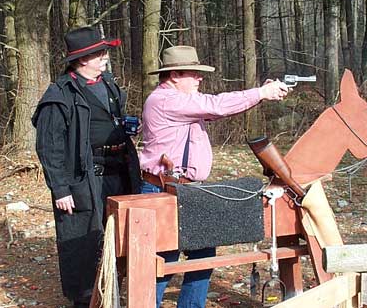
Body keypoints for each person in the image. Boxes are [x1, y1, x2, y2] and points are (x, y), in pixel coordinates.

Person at [139, 45, 289, 308]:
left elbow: (216, 108)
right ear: (174, 75)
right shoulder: (167, 100)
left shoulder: (180, 100)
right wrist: (261, 93)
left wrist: (259, 94)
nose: (200, 78)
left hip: (186, 190)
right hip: (164, 191)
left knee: (204, 252)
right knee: (165, 259)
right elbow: (217, 105)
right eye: (193, 74)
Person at [32, 26, 141, 308]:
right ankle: (84, 301)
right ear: (83, 59)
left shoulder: (109, 85)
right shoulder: (59, 95)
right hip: (83, 179)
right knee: (81, 242)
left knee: (120, 237)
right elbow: (49, 146)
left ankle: (113, 293)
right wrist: (60, 188)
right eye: (100, 53)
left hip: (120, 172)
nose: (105, 57)